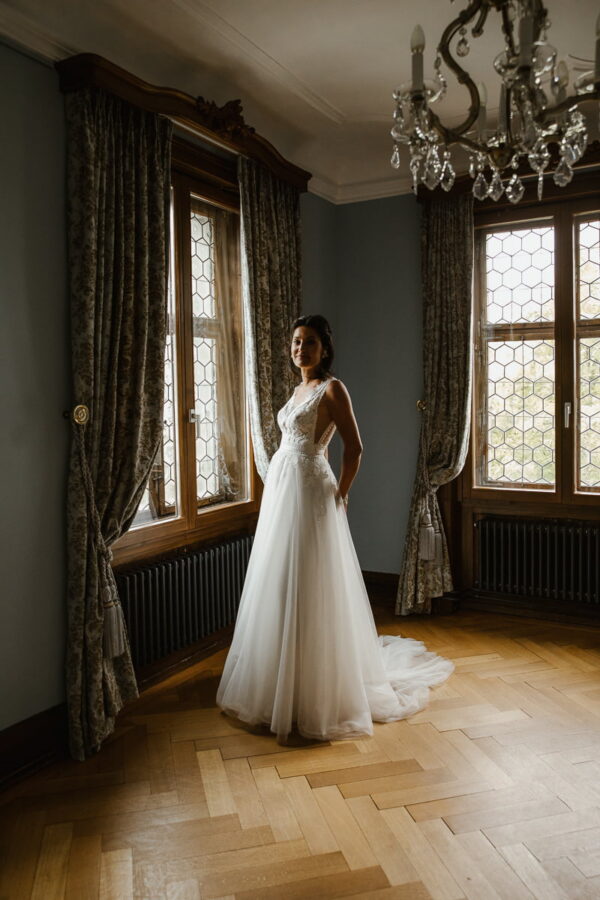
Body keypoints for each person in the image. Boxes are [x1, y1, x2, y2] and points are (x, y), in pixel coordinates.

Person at [216, 314, 453, 743]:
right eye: (295, 342)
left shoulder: (332, 389)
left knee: (313, 580)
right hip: (283, 491)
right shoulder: (297, 390)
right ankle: (277, 682)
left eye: (308, 343)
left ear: (324, 349)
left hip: (310, 491)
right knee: (281, 581)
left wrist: (341, 493)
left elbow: (355, 447)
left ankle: (316, 691)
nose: (299, 349)